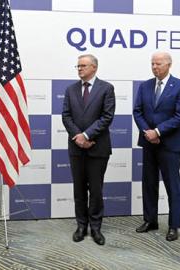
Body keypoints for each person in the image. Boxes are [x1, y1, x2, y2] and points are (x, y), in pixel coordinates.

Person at [132, 51, 180, 241]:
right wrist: (148, 133)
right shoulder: (145, 85)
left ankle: (173, 225)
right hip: (149, 143)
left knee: (172, 185)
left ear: (168, 65)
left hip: (169, 144)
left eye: (158, 64)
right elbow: (137, 111)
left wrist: (157, 132)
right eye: (152, 64)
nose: (155, 67)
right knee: (149, 184)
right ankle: (150, 220)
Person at [62, 54, 115, 245]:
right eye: (77, 66)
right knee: (79, 190)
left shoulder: (106, 88)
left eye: (83, 65)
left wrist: (87, 135)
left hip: (97, 148)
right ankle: (81, 226)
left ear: (94, 67)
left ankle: (96, 228)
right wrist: (79, 137)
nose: (79, 69)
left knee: (96, 190)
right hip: (76, 148)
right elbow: (66, 116)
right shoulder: (70, 89)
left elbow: (107, 117)